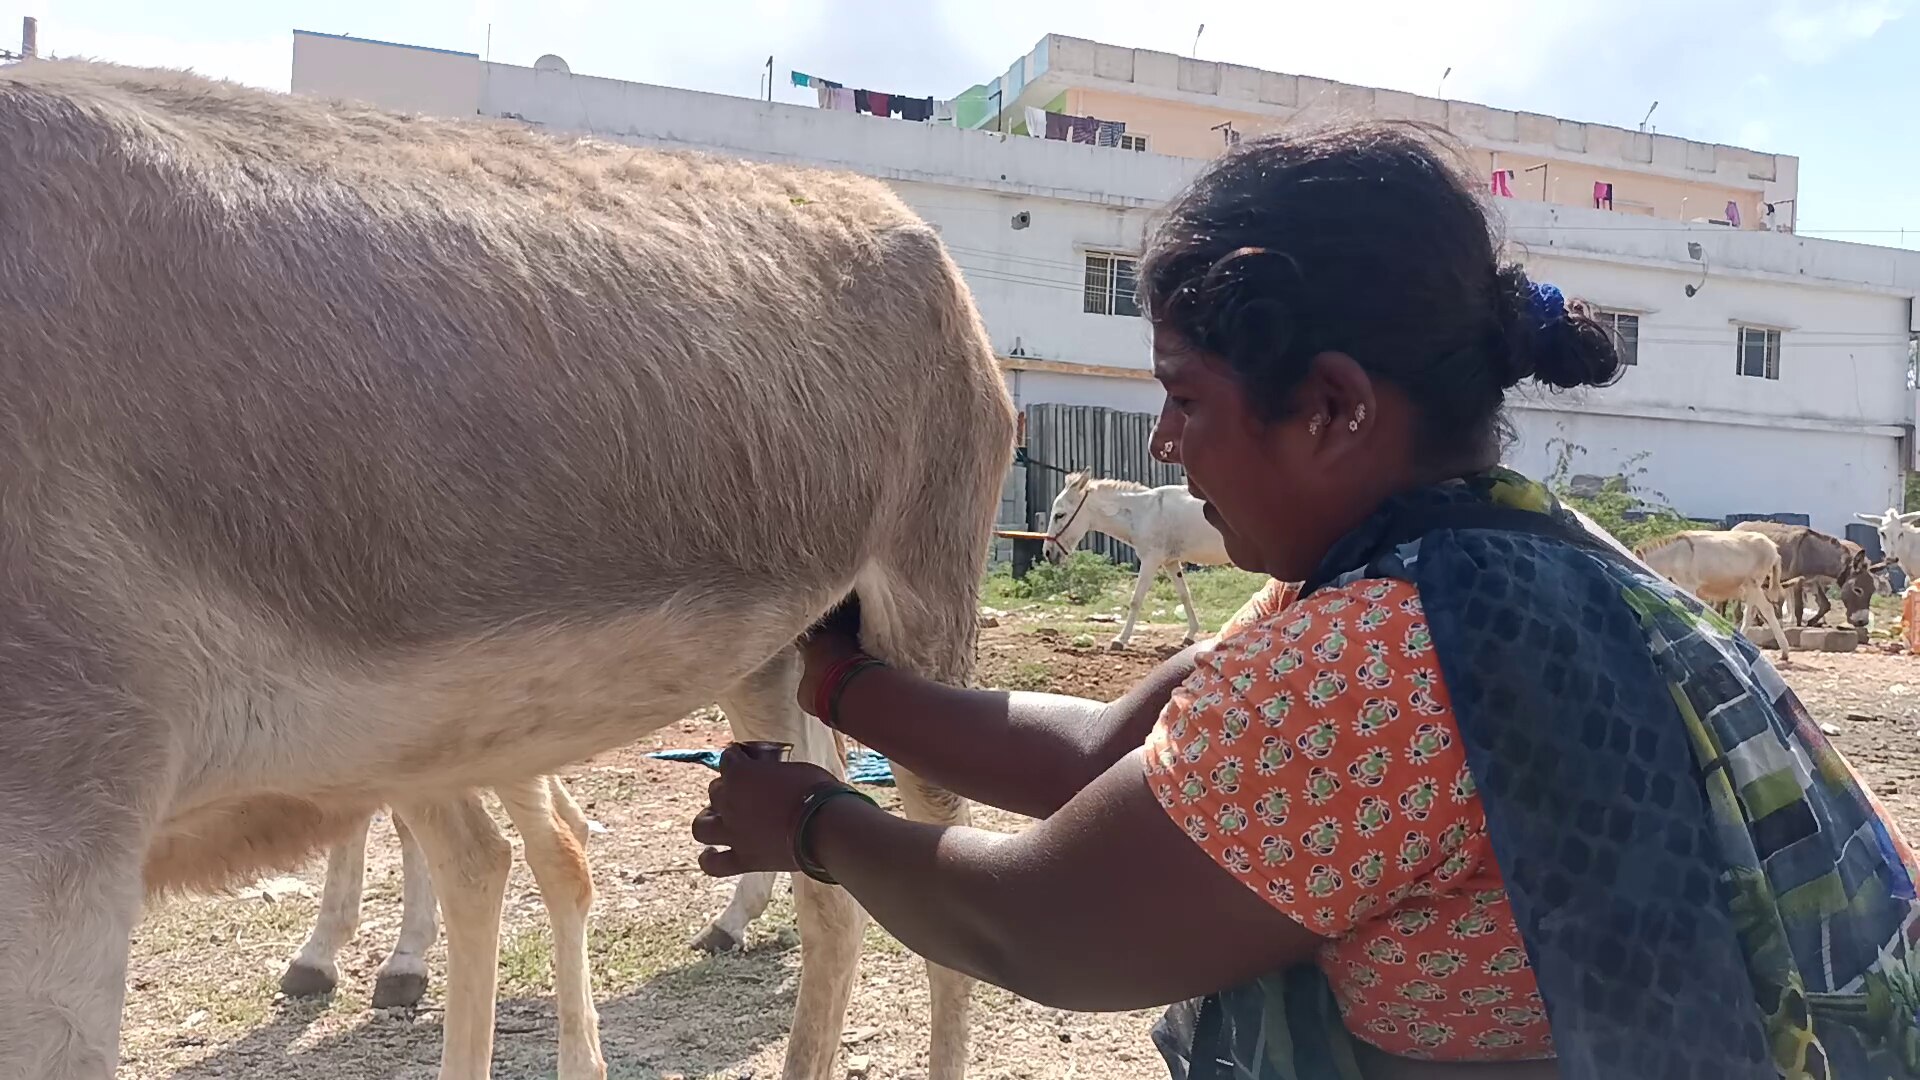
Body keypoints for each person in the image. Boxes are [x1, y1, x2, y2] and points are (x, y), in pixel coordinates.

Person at [691, 123, 1920, 1080]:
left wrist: (812, 825)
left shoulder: (1392, 658)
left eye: (1186, 395)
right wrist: (845, 683)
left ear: (1332, 409)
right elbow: (1111, 751)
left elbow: (1054, 924)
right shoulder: (1482, 557)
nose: (1166, 443)